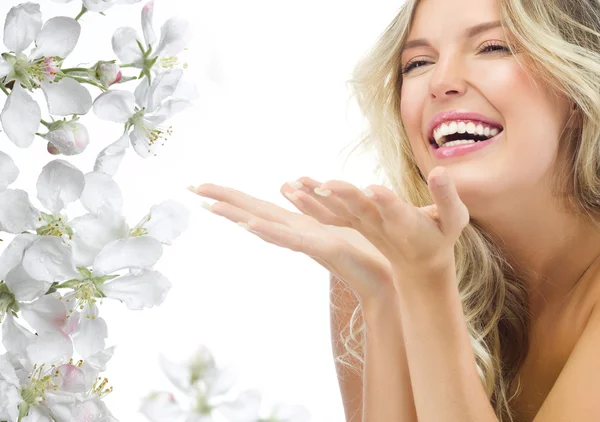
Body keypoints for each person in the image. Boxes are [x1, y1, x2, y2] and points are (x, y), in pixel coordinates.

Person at [187, 0, 600, 420]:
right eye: (417, 63)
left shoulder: (421, 266)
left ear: (576, 81)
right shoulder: (389, 262)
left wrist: (425, 278)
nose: (441, 81)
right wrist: (382, 294)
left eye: (492, 47)